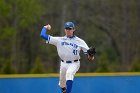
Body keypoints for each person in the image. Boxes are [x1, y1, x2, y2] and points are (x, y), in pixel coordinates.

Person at [40, 21, 95, 93]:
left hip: (74, 63)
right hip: (63, 63)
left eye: (70, 28)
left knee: (69, 74)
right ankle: (64, 90)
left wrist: (91, 55)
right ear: (64, 30)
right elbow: (42, 35)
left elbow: (90, 58)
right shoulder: (59, 40)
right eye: (66, 28)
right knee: (62, 84)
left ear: (73, 29)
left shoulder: (80, 41)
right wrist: (45, 27)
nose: (68, 30)